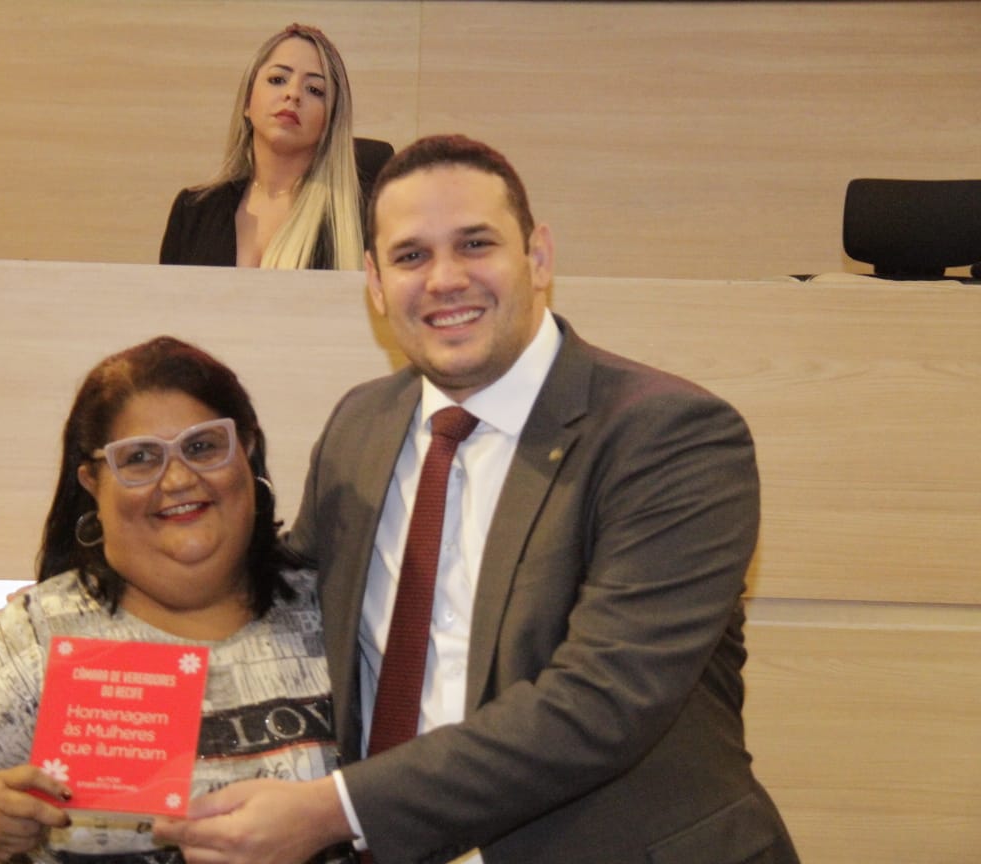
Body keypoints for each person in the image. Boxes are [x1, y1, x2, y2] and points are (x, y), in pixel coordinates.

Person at [155, 135, 800, 863]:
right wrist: (80, 708)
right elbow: (280, 612)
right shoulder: (361, 424)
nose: (445, 279)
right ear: (374, 284)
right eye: (411, 256)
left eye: (475, 244)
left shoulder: (670, 435)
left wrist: (334, 811)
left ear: (539, 257)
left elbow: (601, 702)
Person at [0, 336, 353, 864]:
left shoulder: (340, 609)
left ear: (247, 449)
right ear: (92, 482)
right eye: (139, 458)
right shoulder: (35, 639)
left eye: (202, 447)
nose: (179, 479)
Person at [158, 23, 390, 270]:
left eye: (314, 90)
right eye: (278, 79)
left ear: (330, 120)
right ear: (247, 101)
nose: (293, 94)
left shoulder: (364, 218)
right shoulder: (193, 211)